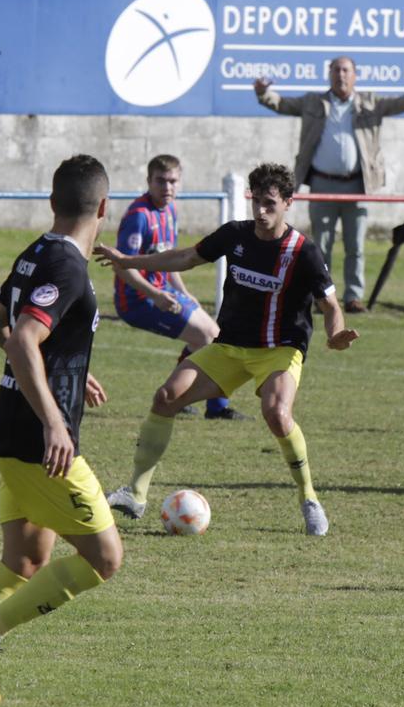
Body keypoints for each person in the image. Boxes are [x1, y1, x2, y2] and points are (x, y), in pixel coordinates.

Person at [0, 155, 119, 707]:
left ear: (51, 201)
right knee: (104, 558)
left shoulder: (34, 253)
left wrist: (61, 362)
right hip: (39, 444)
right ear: (104, 208)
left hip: (12, 433)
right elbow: (19, 338)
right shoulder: (68, 267)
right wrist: (54, 418)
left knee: (24, 562)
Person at [95, 162, 359, 535]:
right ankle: (136, 494)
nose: (262, 212)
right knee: (166, 397)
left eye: (270, 204)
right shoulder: (235, 235)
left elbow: (330, 305)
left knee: (276, 413)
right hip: (230, 347)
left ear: (288, 203)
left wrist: (336, 335)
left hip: (280, 350)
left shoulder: (304, 251)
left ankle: (309, 499)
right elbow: (185, 257)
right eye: (257, 203)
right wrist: (128, 262)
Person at [253, 57, 404, 313]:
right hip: (322, 185)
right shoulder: (313, 102)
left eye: (346, 71)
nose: (341, 76)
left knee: (355, 245)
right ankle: (321, 296)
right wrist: (262, 92)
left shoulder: (370, 102)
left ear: (355, 75)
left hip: (357, 187)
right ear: (329, 74)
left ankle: (353, 297)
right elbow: (281, 104)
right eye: (336, 70)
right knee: (320, 247)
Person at [110, 154, 237, 420]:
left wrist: (186, 293)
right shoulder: (139, 216)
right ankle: (209, 406)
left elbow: (168, 260)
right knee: (208, 337)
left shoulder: (170, 210)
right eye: (161, 181)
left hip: (162, 292)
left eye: (172, 181)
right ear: (148, 181)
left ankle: (183, 399)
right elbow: (122, 267)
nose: (167, 187)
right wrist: (156, 295)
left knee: (215, 335)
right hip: (137, 299)